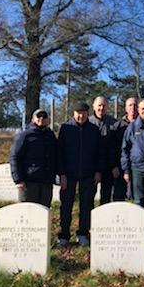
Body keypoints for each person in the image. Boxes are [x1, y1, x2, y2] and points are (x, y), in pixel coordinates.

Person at [57, 102, 103, 247]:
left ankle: (83, 234)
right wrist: (62, 174)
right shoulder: (66, 128)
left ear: (87, 113)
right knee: (66, 205)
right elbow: (59, 152)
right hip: (68, 174)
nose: (81, 115)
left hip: (88, 173)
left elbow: (99, 152)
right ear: (73, 113)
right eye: (78, 112)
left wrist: (98, 171)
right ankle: (64, 235)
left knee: (86, 205)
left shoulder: (94, 130)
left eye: (83, 112)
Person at [10, 109, 57, 208]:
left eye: (44, 117)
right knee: (28, 211)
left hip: (46, 182)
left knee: (44, 211)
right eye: (38, 116)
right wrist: (18, 180)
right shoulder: (25, 135)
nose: (41, 119)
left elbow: (56, 156)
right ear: (33, 119)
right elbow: (15, 157)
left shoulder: (50, 135)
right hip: (29, 182)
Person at [121, 99, 144, 213]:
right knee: (139, 200)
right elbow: (125, 149)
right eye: (142, 108)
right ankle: (142, 229)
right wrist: (126, 170)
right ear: (138, 110)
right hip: (137, 168)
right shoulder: (132, 127)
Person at [89, 96, 122, 203]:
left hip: (109, 167)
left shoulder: (114, 123)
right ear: (93, 106)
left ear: (107, 107)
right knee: (88, 199)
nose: (101, 108)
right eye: (99, 105)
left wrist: (115, 165)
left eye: (104, 105)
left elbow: (116, 147)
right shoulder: (88, 123)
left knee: (106, 198)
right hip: (90, 168)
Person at [114, 97, 138, 198]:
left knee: (137, 198)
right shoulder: (117, 126)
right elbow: (113, 148)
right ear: (126, 108)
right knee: (118, 197)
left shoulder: (143, 125)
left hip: (138, 167)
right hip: (120, 168)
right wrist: (114, 166)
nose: (133, 108)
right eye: (130, 105)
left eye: (135, 105)